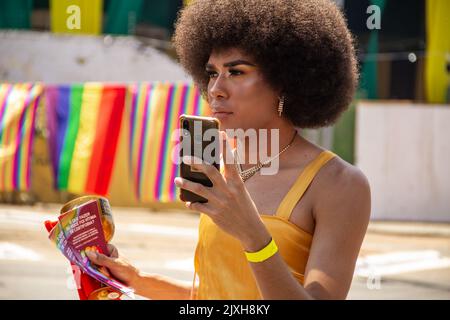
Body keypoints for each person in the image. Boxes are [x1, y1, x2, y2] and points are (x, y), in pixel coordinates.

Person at [87, 0, 371, 300]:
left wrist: (254, 235)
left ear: (285, 82)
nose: (216, 89)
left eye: (236, 72)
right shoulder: (224, 167)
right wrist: (137, 280)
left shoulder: (340, 184)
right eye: (212, 73)